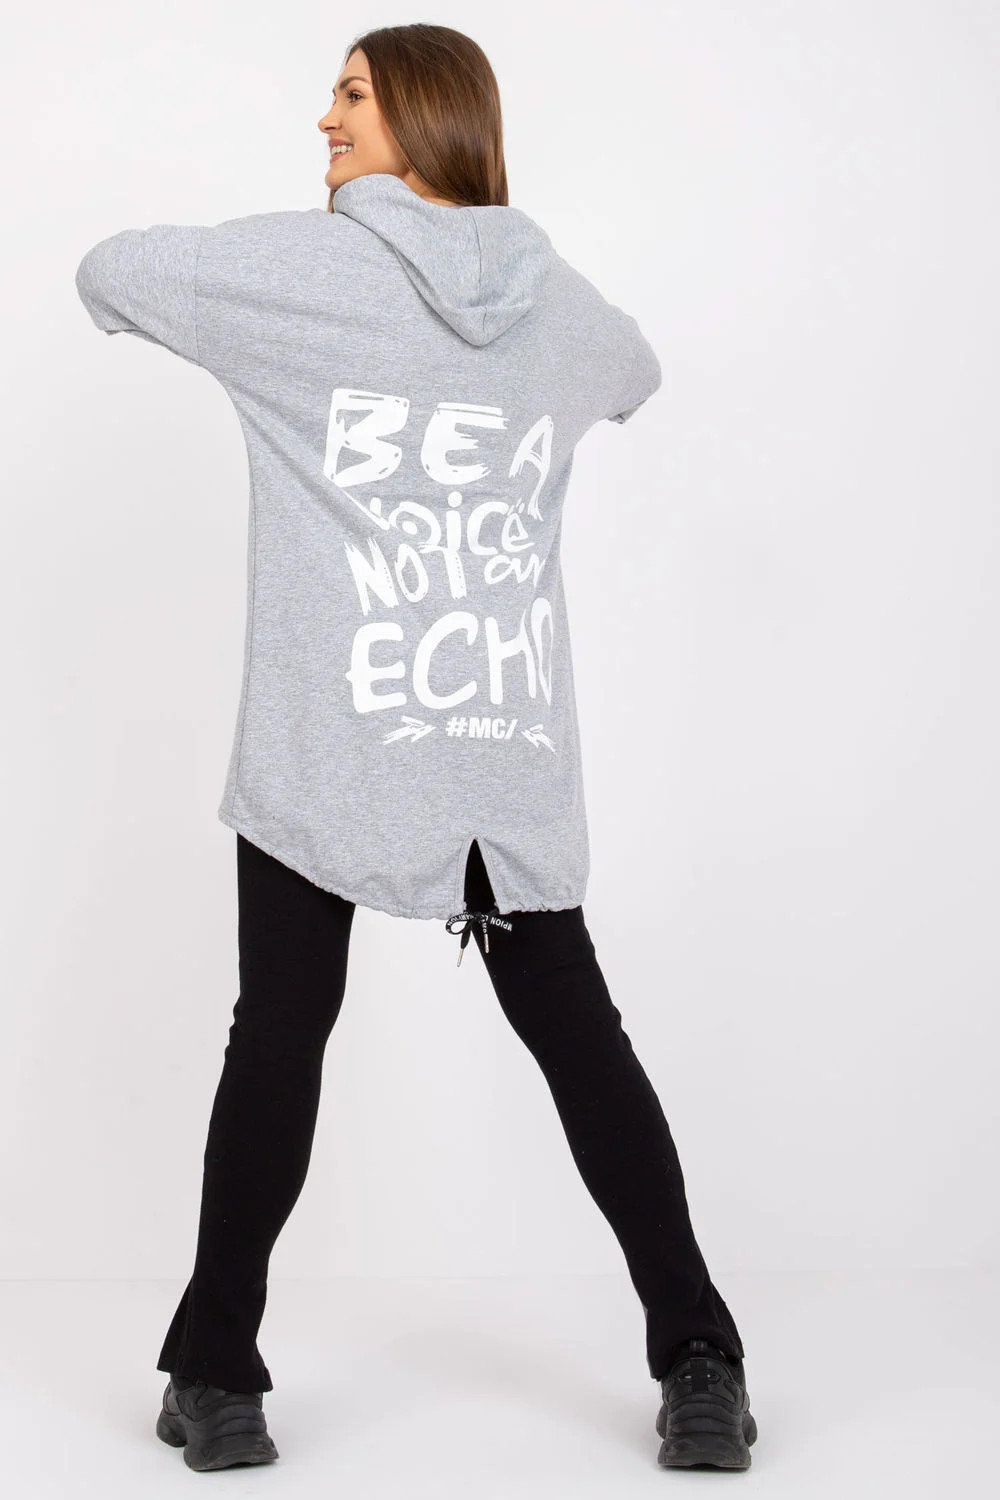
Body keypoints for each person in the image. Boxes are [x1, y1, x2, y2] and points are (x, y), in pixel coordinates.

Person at [75, 22, 756, 1474]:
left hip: (335, 741)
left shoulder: (300, 272)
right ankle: (702, 1360)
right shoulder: (556, 299)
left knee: (278, 1040)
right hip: (496, 745)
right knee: (580, 1043)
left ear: (424, 120)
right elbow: (633, 370)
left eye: (353, 96)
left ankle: (218, 1376)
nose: (325, 120)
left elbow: (109, 270)